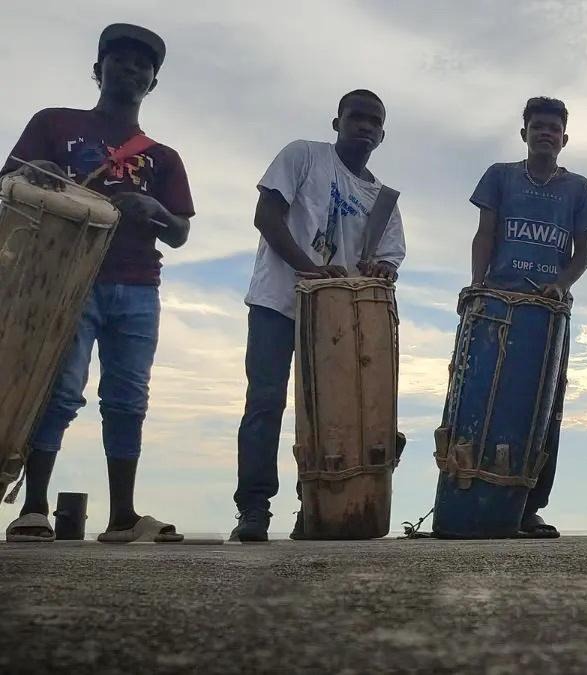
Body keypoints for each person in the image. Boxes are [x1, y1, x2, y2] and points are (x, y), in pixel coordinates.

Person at [3, 24, 193, 544]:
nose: (131, 71)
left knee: (128, 398)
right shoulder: (53, 124)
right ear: (98, 70)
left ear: (152, 84)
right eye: (120, 61)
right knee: (60, 390)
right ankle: (34, 508)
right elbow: (9, 181)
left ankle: (122, 517)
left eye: (142, 67)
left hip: (137, 283)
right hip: (66, 278)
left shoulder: (164, 157)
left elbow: (178, 233)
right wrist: (36, 168)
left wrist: (155, 209)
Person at [230, 89, 406, 542]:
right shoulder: (303, 156)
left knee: (335, 416)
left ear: (382, 135)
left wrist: (379, 268)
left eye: (374, 121)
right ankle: (253, 509)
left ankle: (315, 510)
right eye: (356, 117)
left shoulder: (382, 198)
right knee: (265, 403)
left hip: (337, 323)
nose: (364, 126)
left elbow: (388, 260)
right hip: (279, 302)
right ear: (337, 122)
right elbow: (266, 217)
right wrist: (309, 270)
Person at [467, 96, 587, 537]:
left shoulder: (578, 188)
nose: (546, 133)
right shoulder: (500, 177)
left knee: (547, 408)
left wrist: (561, 284)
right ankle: (470, 496)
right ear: (524, 133)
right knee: (483, 398)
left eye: (553, 128)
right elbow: (485, 234)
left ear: (565, 138)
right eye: (537, 126)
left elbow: (582, 255)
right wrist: (478, 284)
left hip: (549, 313)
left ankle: (529, 508)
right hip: (498, 306)